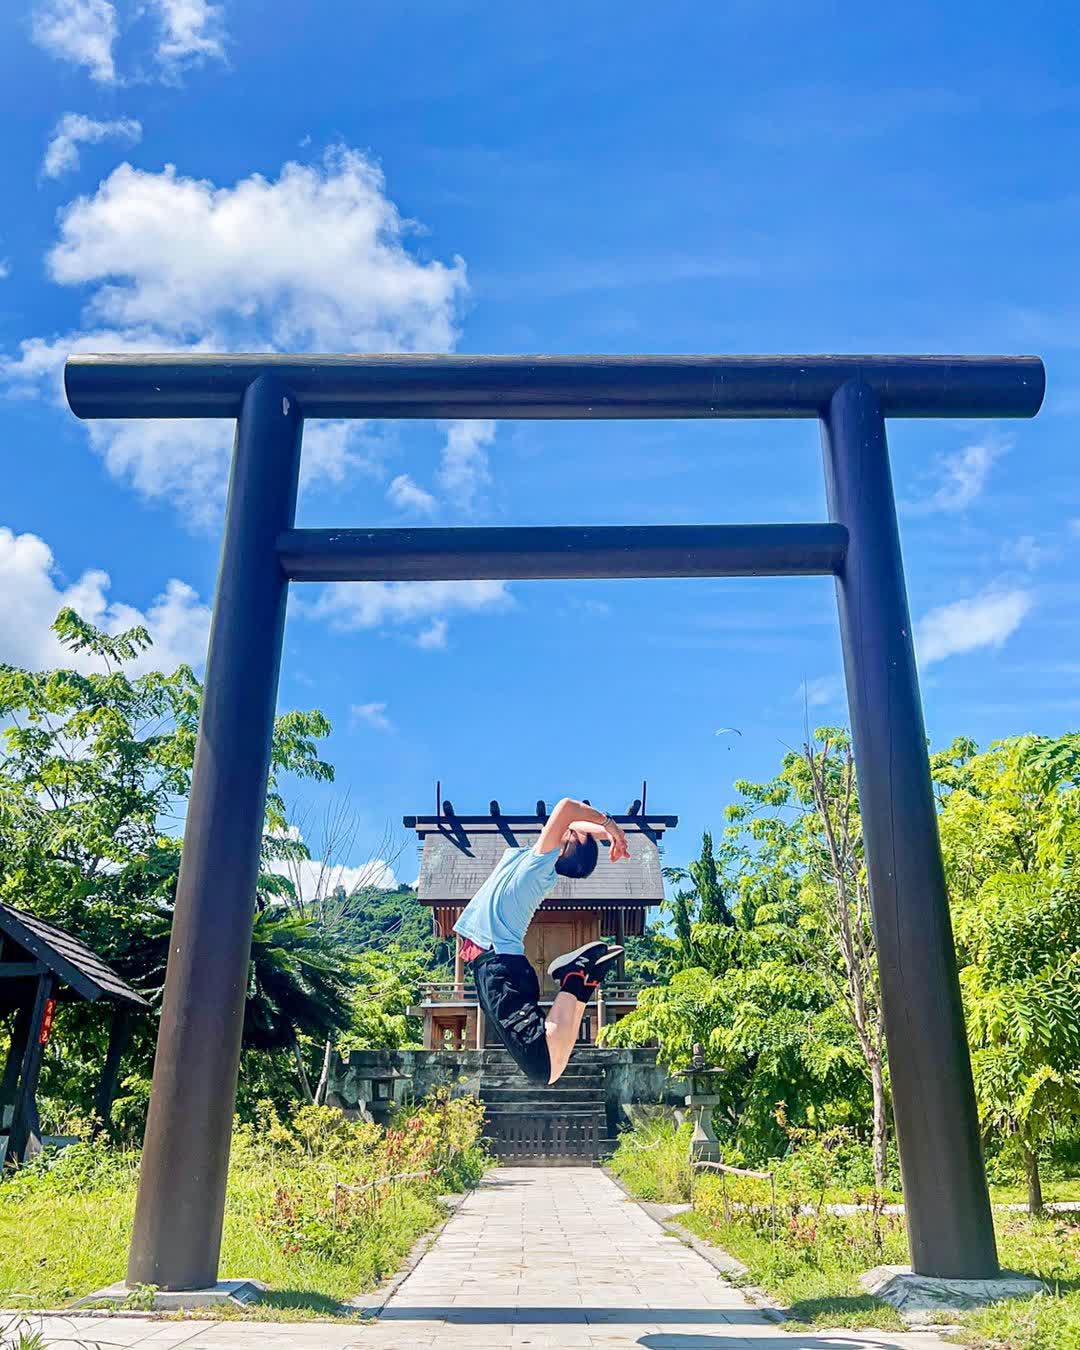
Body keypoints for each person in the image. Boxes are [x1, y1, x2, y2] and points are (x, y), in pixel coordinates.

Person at [453, 797, 630, 1086]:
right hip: (498, 966)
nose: (569, 827)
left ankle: (578, 974)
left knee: (545, 1068)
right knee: (551, 1067)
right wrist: (608, 833)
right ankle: (581, 978)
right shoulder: (536, 861)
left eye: (573, 831)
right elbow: (576, 823)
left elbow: (567, 809)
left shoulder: (539, 862)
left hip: (499, 967)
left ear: (566, 845)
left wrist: (611, 826)